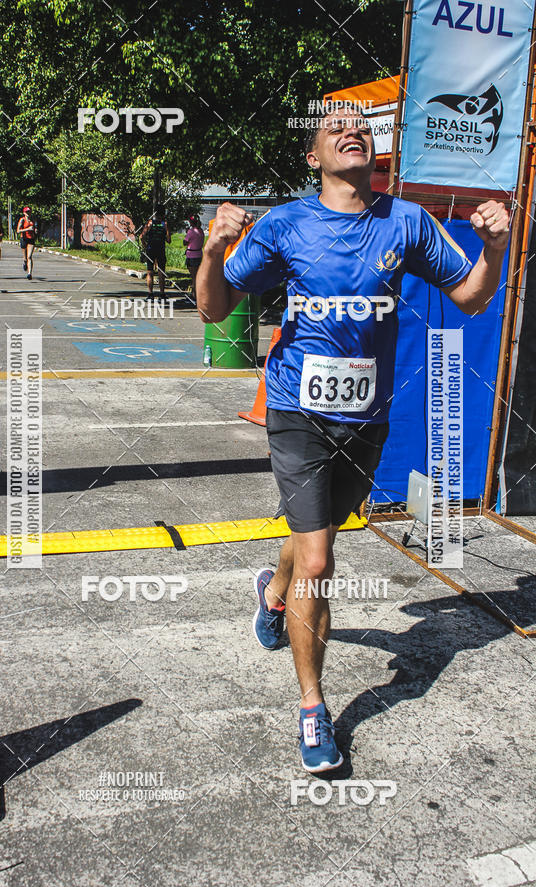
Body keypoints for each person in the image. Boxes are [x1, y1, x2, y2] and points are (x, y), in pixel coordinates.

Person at [196, 112, 510, 774]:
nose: (352, 131)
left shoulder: (407, 223)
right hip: (296, 409)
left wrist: (494, 249)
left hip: (366, 418)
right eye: (336, 126)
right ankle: (313, 708)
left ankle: (273, 593)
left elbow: (471, 298)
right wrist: (212, 251)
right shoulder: (284, 224)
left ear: (374, 151)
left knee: (319, 535)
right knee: (320, 560)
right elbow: (214, 309)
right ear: (314, 155)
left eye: (361, 126)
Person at [141, 203, 171, 301]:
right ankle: (162, 294)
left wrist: (145, 245)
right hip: (160, 249)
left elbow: (142, 236)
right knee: (161, 271)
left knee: (150, 272)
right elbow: (169, 240)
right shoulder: (164, 224)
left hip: (150, 249)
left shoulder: (149, 223)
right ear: (163, 213)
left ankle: (150, 294)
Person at [183, 215, 204, 299]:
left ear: (191, 222)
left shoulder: (191, 231)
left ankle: (195, 295)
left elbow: (184, 242)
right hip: (199, 254)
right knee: (196, 275)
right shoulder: (201, 231)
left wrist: (187, 233)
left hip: (191, 255)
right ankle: (194, 293)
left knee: (194, 277)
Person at [16, 206, 38, 280]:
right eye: (26, 212)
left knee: (29, 256)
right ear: (24, 213)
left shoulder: (33, 220)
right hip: (24, 239)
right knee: (25, 258)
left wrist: (35, 230)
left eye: (29, 212)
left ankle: (29, 273)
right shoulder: (22, 220)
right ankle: (25, 262)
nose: (28, 213)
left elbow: (35, 228)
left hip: (31, 239)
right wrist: (27, 229)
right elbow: (18, 231)